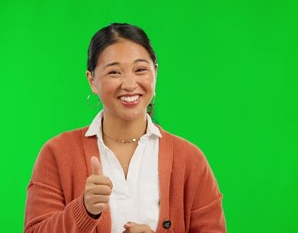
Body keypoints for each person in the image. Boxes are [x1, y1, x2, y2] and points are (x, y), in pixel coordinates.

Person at [24, 23, 226, 233]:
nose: (129, 84)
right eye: (114, 72)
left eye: (140, 70)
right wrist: (84, 210)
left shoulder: (190, 159)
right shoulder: (57, 154)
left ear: (155, 73)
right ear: (92, 80)